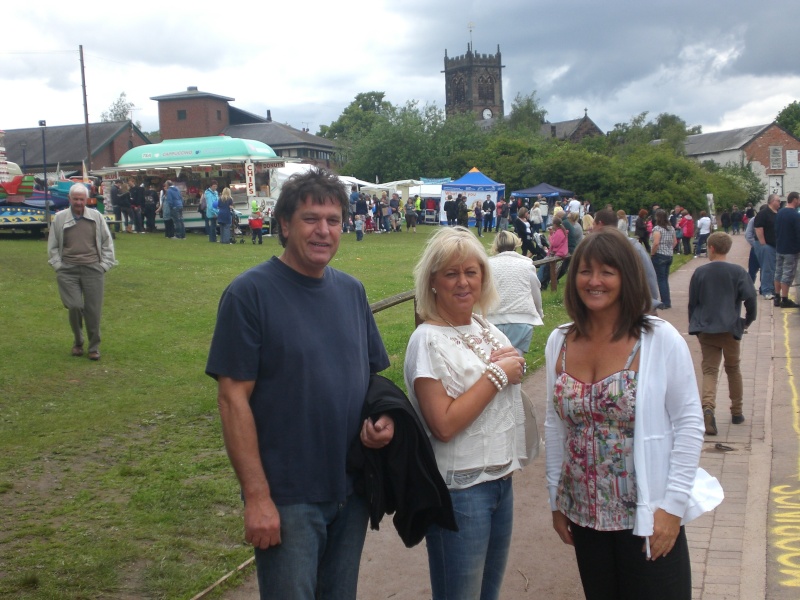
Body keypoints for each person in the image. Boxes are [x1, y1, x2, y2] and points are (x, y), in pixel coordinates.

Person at [205, 168, 392, 600]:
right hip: (288, 499)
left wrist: (382, 417)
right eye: (311, 219)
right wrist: (257, 498)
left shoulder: (351, 291)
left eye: (333, 220)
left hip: (351, 490)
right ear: (285, 224)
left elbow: (369, 380)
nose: (323, 231)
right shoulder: (249, 294)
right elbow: (232, 399)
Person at [545, 227, 715, 600]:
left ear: (626, 275)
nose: (594, 281)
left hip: (646, 515)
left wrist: (672, 508)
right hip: (584, 514)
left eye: (607, 271)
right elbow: (555, 425)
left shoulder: (658, 339)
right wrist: (555, 499)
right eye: (584, 271)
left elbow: (689, 424)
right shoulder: (559, 341)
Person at [404, 226, 527, 600]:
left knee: (487, 594)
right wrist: (497, 374)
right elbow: (443, 424)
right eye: (451, 273)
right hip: (460, 490)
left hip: (500, 481)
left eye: (471, 272)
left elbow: (515, 368)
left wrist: (512, 366)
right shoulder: (427, 340)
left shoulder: (483, 326)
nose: (463, 282)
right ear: (433, 282)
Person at [688, 232, 757, 435]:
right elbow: (751, 298)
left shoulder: (700, 272)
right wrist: (747, 321)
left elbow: (693, 303)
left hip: (706, 328)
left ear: (711, 248)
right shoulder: (737, 272)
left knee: (709, 370)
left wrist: (695, 324)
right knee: (733, 368)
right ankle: (737, 411)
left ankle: (708, 408)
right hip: (730, 327)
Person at [47, 183, 116, 361]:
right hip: (67, 270)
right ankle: (78, 341)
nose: (78, 202)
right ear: (69, 199)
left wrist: (104, 265)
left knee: (93, 311)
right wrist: (58, 265)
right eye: (75, 199)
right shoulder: (60, 218)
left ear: (87, 200)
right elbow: (53, 246)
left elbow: (107, 243)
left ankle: (94, 347)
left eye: (81, 199)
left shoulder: (96, 217)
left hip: (93, 269)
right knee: (75, 306)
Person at [486, 230, 545, 356]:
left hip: (492, 320)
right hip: (521, 320)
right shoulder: (526, 265)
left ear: (496, 246)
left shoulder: (487, 265)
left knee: (495, 362)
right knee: (515, 361)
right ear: (516, 244)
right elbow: (535, 291)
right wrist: (539, 312)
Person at [593, 209, 661, 312]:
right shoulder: (635, 246)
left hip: (632, 310)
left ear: (600, 224)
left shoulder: (628, 248)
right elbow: (650, 277)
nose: (592, 227)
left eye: (593, 224)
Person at [773, 191, 800, 308]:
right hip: (791, 249)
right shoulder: (795, 215)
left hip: (780, 247)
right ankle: (785, 299)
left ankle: (777, 296)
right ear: (795, 200)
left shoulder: (780, 213)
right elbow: (798, 233)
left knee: (778, 271)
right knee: (788, 274)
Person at [753, 194, 780, 300]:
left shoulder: (777, 213)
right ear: (772, 201)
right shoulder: (763, 214)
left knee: (774, 268)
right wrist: (763, 243)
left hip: (774, 244)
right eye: (778, 201)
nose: (779, 203)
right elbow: (758, 228)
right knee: (767, 268)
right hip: (765, 245)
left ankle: (773, 289)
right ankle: (767, 290)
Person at [650, 209, 676, 310]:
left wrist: (652, 253)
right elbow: (674, 242)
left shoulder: (657, 229)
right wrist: (669, 249)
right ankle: (667, 300)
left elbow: (656, 242)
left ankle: (665, 302)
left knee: (660, 280)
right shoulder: (671, 228)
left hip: (659, 254)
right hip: (669, 255)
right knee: (665, 279)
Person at [539, 216, 568, 289]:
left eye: (552, 224)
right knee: (545, 265)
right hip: (560, 252)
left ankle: (540, 281)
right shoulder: (561, 231)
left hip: (558, 253)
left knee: (543, 265)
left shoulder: (559, 232)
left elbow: (555, 244)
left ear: (555, 225)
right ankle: (542, 282)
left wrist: (550, 237)